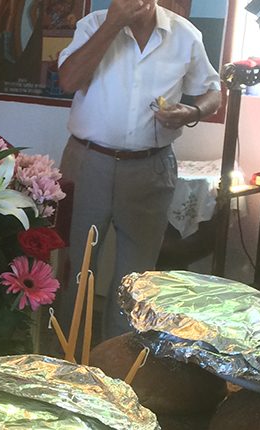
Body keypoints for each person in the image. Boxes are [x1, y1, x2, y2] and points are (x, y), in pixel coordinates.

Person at [54, 0, 221, 340]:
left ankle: (118, 366)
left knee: (137, 277)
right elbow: (68, 81)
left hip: (151, 167)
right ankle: (66, 358)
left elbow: (213, 92)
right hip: (88, 162)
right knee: (76, 267)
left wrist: (190, 113)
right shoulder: (92, 25)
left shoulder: (184, 34)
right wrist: (112, 26)